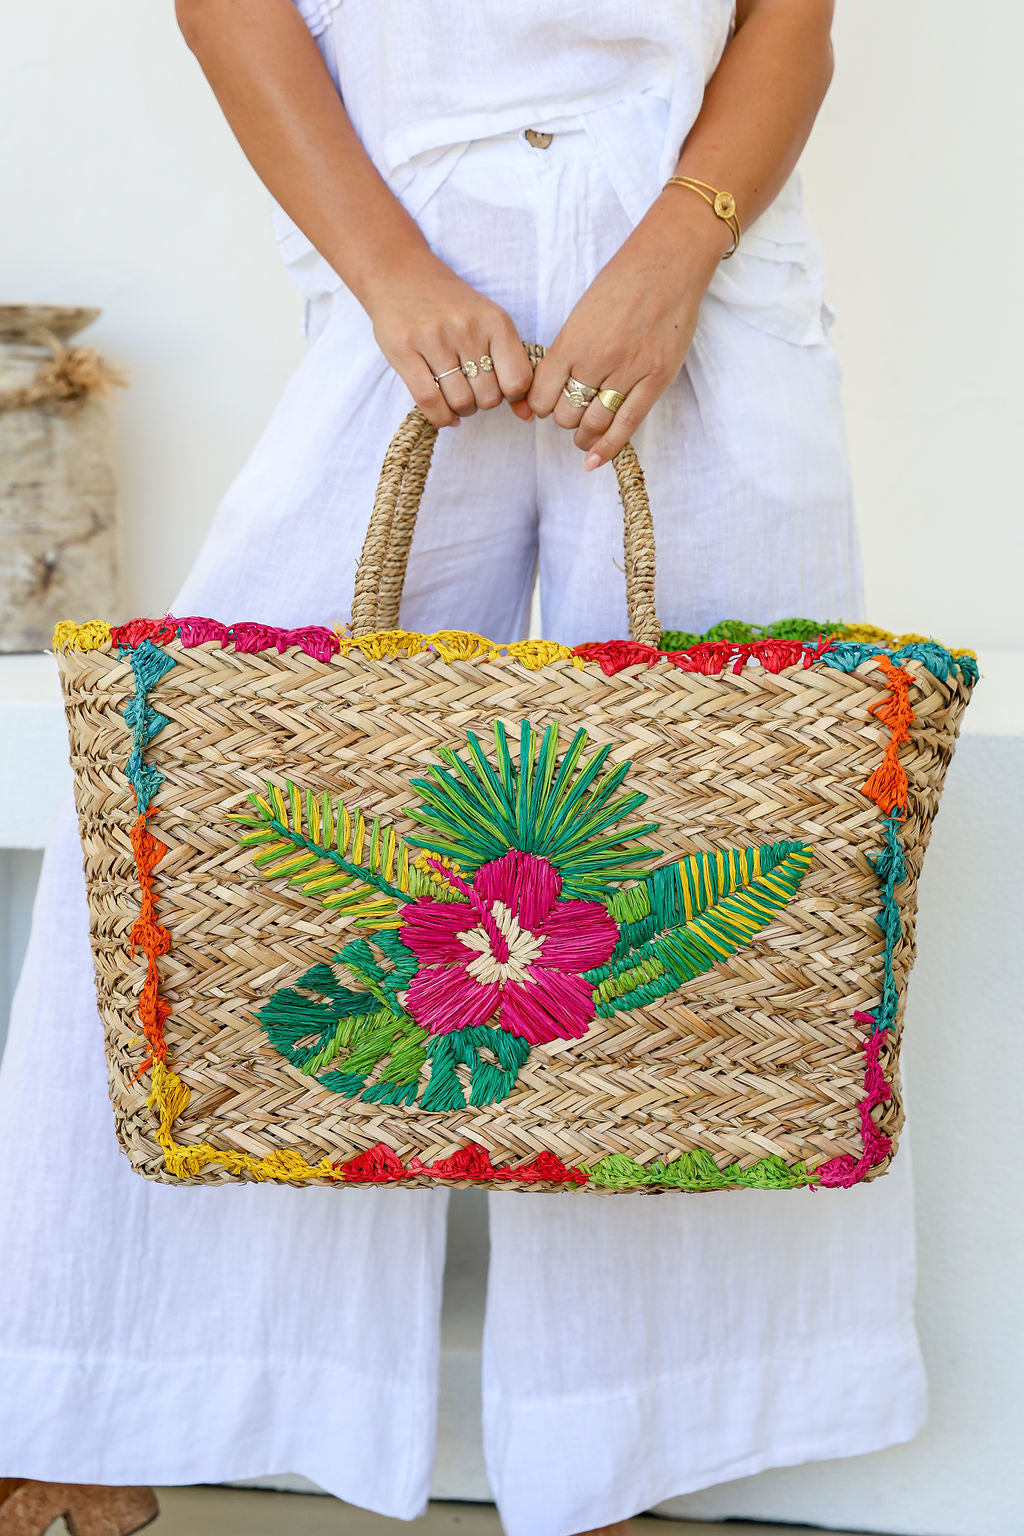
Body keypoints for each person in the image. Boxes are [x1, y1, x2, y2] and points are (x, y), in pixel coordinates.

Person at [0, 5, 926, 1536]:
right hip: (406, 239)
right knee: (217, 818)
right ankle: (91, 1384)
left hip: (707, 265)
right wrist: (391, 272)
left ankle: (622, 1439)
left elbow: (789, 21)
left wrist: (676, 251)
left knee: (700, 883)